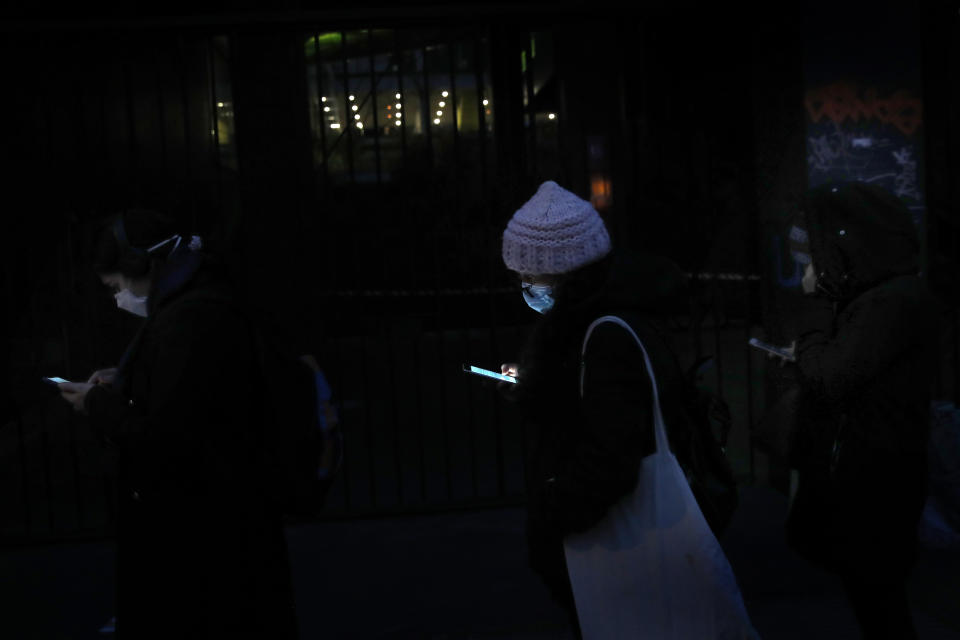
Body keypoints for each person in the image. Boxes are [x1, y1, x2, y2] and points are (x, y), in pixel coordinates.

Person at [57, 209, 298, 639]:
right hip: (223, 520)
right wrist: (125, 378)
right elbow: (183, 386)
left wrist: (96, 405)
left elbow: (164, 433)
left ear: (139, 266)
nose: (117, 298)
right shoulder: (198, 299)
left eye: (115, 287)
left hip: (205, 531)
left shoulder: (188, 318)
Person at [497, 181, 698, 635]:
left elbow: (610, 453)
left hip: (612, 541)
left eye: (532, 276)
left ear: (567, 274)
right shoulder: (593, 322)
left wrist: (554, 514)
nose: (525, 287)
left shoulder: (604, 333)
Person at [770, 182, 939, 640]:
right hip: (876, 472)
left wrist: (811, 331)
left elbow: (832, 376)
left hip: (879, 478)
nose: (810, 271)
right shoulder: (884, 296)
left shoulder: (890, 302)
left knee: (880, 602)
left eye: (814, 259)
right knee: (875, 598)